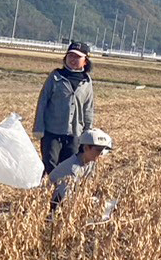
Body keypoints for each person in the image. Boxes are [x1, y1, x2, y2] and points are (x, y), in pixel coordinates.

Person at [32, 39, 96, 175]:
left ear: (85, 61)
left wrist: (87, 132)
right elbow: (42, 101)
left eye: (77, 57)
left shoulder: (86, 82)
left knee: (70, 167)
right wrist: (38, 128)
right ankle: (48, 193)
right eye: (70, 55)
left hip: (74, 135)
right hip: (52, 132)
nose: (73, 59)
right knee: (50, 165)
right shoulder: (55, 77)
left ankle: (64, 194)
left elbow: (88, 109)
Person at [49, 127, 114, 211]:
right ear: (86, 148)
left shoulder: (91, 163)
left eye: (103, 150)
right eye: (98, 150)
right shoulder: (71, 169)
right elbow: (64, 200)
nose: (101, 153)